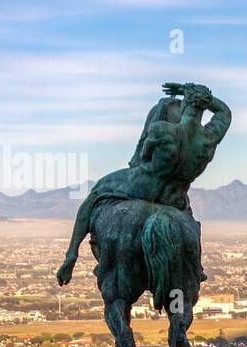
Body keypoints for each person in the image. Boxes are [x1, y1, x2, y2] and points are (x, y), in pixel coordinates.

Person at [56, 82, 231, 285]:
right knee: (189, 222)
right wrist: (193, 93)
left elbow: (142, 157)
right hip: (175, 196)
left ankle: (71, 255)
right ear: (204, 107)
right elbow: (224, 111)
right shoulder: (209, 138)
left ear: (185, 106)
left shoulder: (161, 129)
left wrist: (184, 90)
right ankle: (195, 266)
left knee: (95, 194)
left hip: (143, 185)